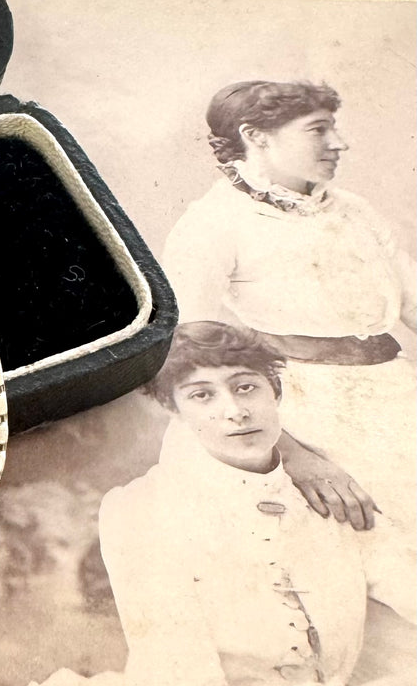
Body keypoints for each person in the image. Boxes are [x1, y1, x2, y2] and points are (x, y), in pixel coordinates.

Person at [99, 323, 413, 686]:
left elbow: (401, 574)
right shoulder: (144, 512)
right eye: (201, 395)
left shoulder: (321, 491)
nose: (235, 410)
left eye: (246, 386)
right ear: (174, 411)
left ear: (276, 393)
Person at [163, 80, 416, 562]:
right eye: (318, 130)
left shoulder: (355, 211)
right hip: (311, 409)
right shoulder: (213, 223)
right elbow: (186, 349)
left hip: (399, 391)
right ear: (256, 136)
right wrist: (295, 455)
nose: (338, 143)